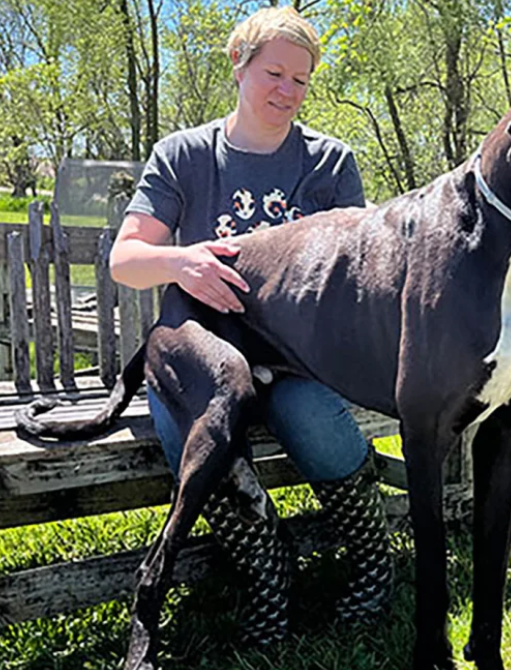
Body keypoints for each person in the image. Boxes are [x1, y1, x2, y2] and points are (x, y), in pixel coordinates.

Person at [110, 6, 390, 646]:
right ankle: (269, 577)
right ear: (238, 66)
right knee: (205, 450)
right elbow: (125, 260)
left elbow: (357, 272)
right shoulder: (183, 155)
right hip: (202, 357)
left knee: (316, 422)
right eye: (274, 73)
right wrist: (180, 262)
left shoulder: (329, 163)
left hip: (294, 358)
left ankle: (372, 564)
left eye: (301, 80)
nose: (287, 92)